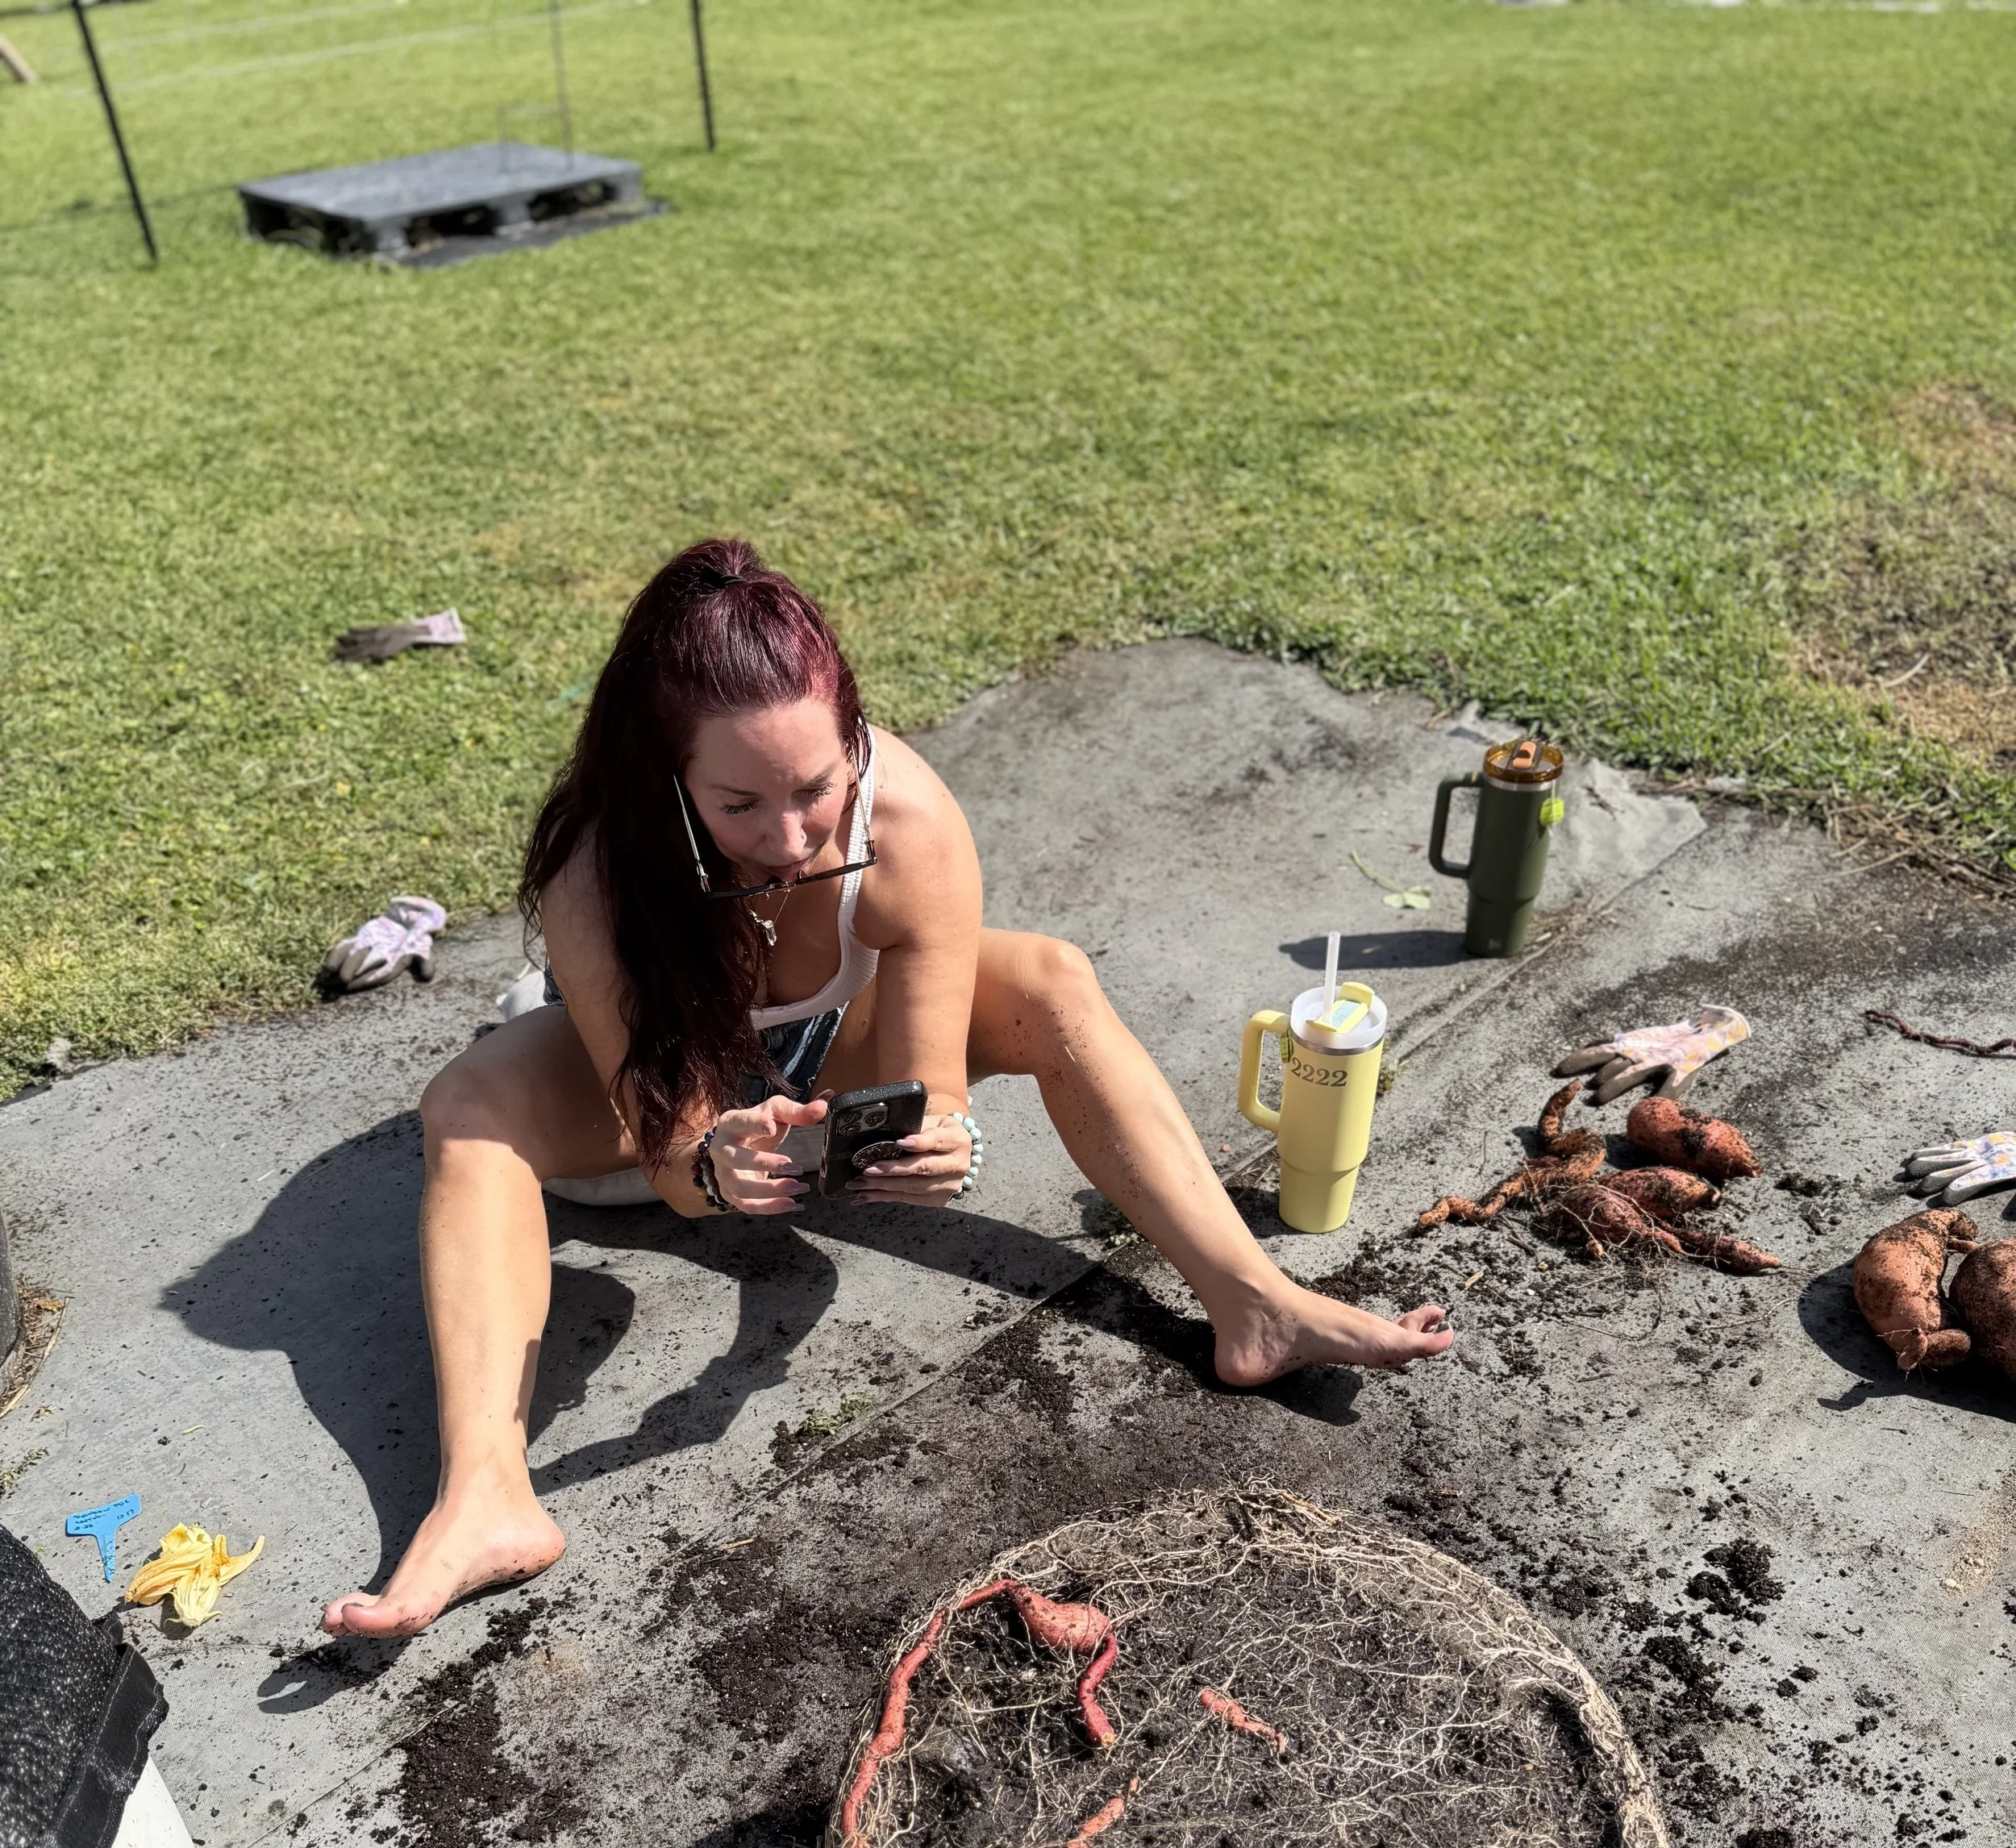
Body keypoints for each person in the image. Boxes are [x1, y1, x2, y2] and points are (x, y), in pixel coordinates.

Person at [323, 541, 1452, 1636]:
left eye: (818, 787)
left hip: (824, 1059)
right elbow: (670, 1170)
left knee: (1053, 979)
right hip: (645, 1128)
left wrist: (946, 1139)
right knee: (467, 1105)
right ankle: (485, 1495)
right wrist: (715, 1161)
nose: (793, 836)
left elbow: (928, 1086)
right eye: (739, 806)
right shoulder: (598, 865)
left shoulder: (907, 821)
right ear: (667, 781)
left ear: (855, 741)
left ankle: (1251, 1303)